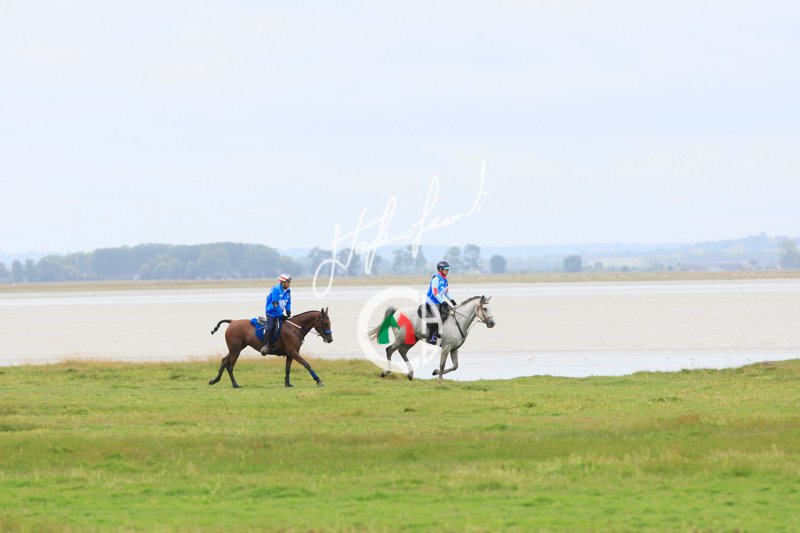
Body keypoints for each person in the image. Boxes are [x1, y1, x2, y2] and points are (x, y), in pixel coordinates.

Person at [424, 260, 457, 344]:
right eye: (446, 269)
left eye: (448, 270)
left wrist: (452, 300)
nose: (447, 271)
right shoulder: (436, 278)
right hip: (431, 302)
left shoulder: (445, 280)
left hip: (439, 302)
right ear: (440, 269)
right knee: (437, 318)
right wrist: (443, 302)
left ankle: (440, 333)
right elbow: (435, 293)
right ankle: (431, 337)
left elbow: (446, 293)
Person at [260, 273, 292, 355]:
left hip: (280, 313)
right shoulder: (275, 289)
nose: (289, 284)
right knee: (270, 328)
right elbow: (275, 303)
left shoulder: (288, 291)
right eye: (287, 282)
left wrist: (288, 311)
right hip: (272, 313)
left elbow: (288, 302)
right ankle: (265, 346)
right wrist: (281, 314)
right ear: (282, 282)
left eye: (289, 282)